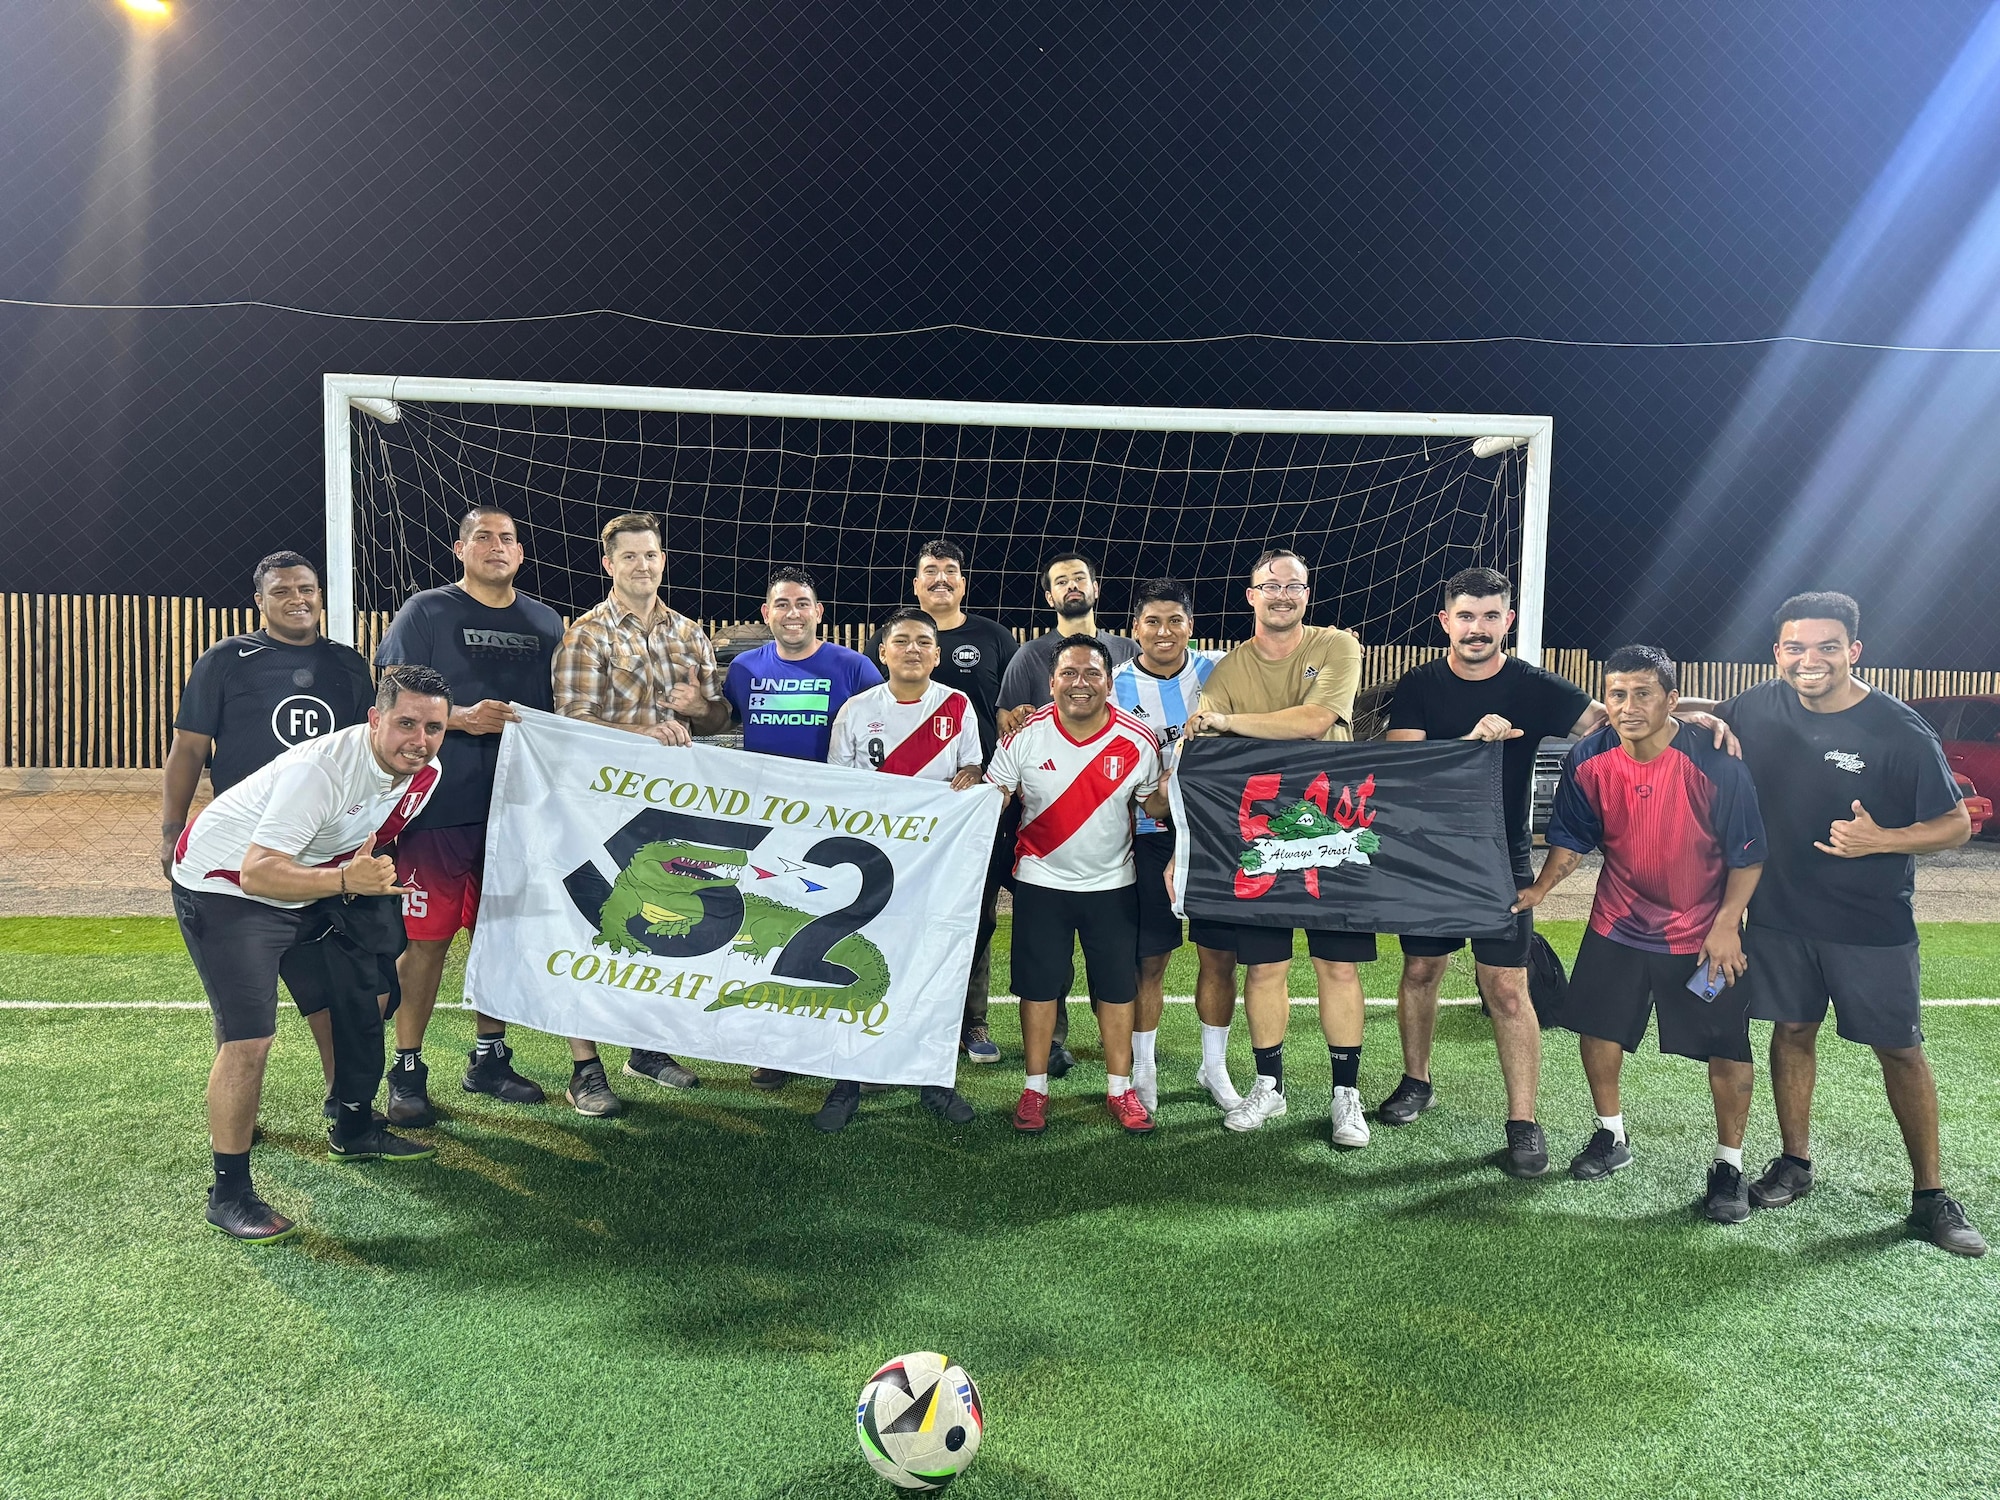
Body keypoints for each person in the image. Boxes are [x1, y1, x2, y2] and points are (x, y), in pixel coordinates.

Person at [1380, 567, 1738, 1176]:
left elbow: (1616, 716)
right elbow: (1401, 765)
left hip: (1502, 854)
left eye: (1490, 616)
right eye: (1465, 616)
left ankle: (1523, 1121)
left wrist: (1696, 713)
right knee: (1420, 970)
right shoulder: (1419, 685)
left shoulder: (1530, 684)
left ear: (1507, 622)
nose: (1477, 628)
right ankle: (1417, 1082)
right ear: (1445, 621)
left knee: (1508, 988)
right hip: (1429, 853)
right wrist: (1471, 741)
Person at [1705, 593, 1984, 1256]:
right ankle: (1795, 1163)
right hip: (1778, 917)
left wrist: (1882, 840)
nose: (1811, 660)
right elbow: (1702, 726)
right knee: (1792, 1031)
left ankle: (1931, 1197)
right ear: (1777, 652)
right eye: (1796, 647)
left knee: (1900, 1050)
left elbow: (1958, 823)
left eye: (1827, 647)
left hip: (1869, 923)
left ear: (1853, 651)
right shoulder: (1752, 707)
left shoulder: (1897, 728)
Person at [171, 666, 452, 1243]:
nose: (419, 740)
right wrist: (350, 879)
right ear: (375, 719)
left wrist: (354, 876)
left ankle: (350, 1122)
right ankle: (228, 1192)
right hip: (225, 888)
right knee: (248, 1039)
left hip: (311, 879)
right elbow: (257, 871)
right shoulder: (319, 771)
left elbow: (364, 833)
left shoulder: (426, 773)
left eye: (433, 727)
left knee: (362, 994)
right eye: (405, 723)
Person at [1513, 646, 1767, 1222]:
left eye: (1643, 694)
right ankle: (1611, 1137)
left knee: (1726, 1046)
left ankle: (1729, 1164)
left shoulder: (1716, 760)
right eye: (1617, 694)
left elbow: (1748, 855)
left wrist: (1728, 926)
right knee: (1598, 1030)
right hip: (1618, 922)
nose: (1627, 707)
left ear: (1672, 700)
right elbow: (1573, 839)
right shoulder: (1588, 756)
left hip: (1702, 932)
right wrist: (1541, 891)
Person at [162, 550, 377, 1117]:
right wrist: (170, 830)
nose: (298, 599)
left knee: (334, 991)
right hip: (243, 855)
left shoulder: (350, 667)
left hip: (321, 855)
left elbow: (367, 754)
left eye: (306, 588)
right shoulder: (227, 660)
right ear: (259, 601)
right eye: (282, 591)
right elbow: (188, 749)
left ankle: (345, 1105)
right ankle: (238, 1121)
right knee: (243, 1012)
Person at [373, 506, 565, 1125]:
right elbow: (391, 695)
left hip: (516, 812)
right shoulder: (426, 611)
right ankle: (406, 1068)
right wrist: (456, 719)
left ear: (521, 553)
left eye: (508, 538)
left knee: (501, 939)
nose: (496, 546)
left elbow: (564, 711)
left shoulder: (546, 621)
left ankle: (489, 1057)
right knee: (425, 943)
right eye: (483, 536)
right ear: (460, 548)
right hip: (438, 811)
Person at [1183, 550, 1370, 1148]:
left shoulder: (1337, 645)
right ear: (1250, 594)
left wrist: (1234, 723)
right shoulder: (1226, 670)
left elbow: (1315, 721)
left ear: (1307, 594)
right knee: (1264, 968)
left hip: (1332, 829)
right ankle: (1270, 1085)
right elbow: (1205, 751)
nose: (1283, 594)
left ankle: (1346, 1096)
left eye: (1294, 585)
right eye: (1272, 585)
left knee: (1336, 966)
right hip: (1259, 839)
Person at [552, 510, 733, 1114]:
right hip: (600, 806)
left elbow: (717, 721)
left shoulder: (688, 632)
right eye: (628, 556)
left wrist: (699, 707)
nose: (642, 565)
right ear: (608, 564)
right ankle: (585, 1068)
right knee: (590, 927)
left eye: (650, 555)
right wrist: (644, 727)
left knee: (663, 919)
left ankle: (648, 1047)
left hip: (672, 809)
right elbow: (571, 721)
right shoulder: (587, 634)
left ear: (663, 559)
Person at [986, 639, 1168, 1135]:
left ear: (1109, 682)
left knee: (1114, 990)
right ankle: (1035, 1087)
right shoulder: (1023, 736)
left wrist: (1182, 785)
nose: (1080, 683)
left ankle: (1119, 1088)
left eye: (1092, 673)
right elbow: (994, 796)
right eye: (1069, 673)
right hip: (1041, 881)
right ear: (1052, 682)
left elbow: (1153, 807)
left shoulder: (1138, 739)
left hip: (1113, 883)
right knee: (1039, 989)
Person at [814, 606, 986, 1131]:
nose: (913, 649)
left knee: (929, 969)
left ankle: (934, 1083)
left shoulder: (956, 706)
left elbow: (972, 767)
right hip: (868, 866)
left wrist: (972, 774)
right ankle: (845, 1083)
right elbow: (837, 785)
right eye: (902, 640)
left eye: (923, 642)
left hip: (931, 867)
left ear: (937, 654)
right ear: (882, 652)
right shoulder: (855, 710)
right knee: (855, 968)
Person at [723, 565, 883, 1090]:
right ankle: (777, 1048)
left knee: (838, 932)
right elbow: (718, 723)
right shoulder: (744, 667)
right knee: (772, 931)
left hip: (836, 827)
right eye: (782, 604)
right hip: (768, 827)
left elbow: (885, 727)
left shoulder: (854, 666)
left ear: (819, 612)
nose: (793, 613)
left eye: (802, 604)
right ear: (766, 614)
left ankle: (844, 1045)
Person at [868, 539, 1019, 1066]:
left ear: (963, 581)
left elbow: (1014, 710)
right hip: (899, 815)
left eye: (950, 571)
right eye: (929, 571)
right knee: (897, 911)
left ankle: (971, 1019)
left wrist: (992, 770)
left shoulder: (995, 637)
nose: (940, 579)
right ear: (915, 584)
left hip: (972, 807)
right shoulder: (884, 642)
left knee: (972, 913)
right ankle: (896, 1011)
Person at [1109, 578, 1222, 1111]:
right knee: (1150, 960)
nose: (1164, 631)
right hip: (1150, 836)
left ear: (1190, 627)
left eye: (1175, 620)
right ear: (1136, 629)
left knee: (1218, 957)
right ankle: (1145, 1067)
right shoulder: (1113, 685)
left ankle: (1214, 1068)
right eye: (1152, 621)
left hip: (1215, 837)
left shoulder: (1218, 672)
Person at [996, 552, 1140, 732]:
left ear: (1096, 589)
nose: (1072, 585)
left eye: (1079, 578)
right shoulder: (1029, 656)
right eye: (1061, 582)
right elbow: (1005, 721)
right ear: (1049, 598)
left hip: (1118, 756)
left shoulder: (1128, 650)